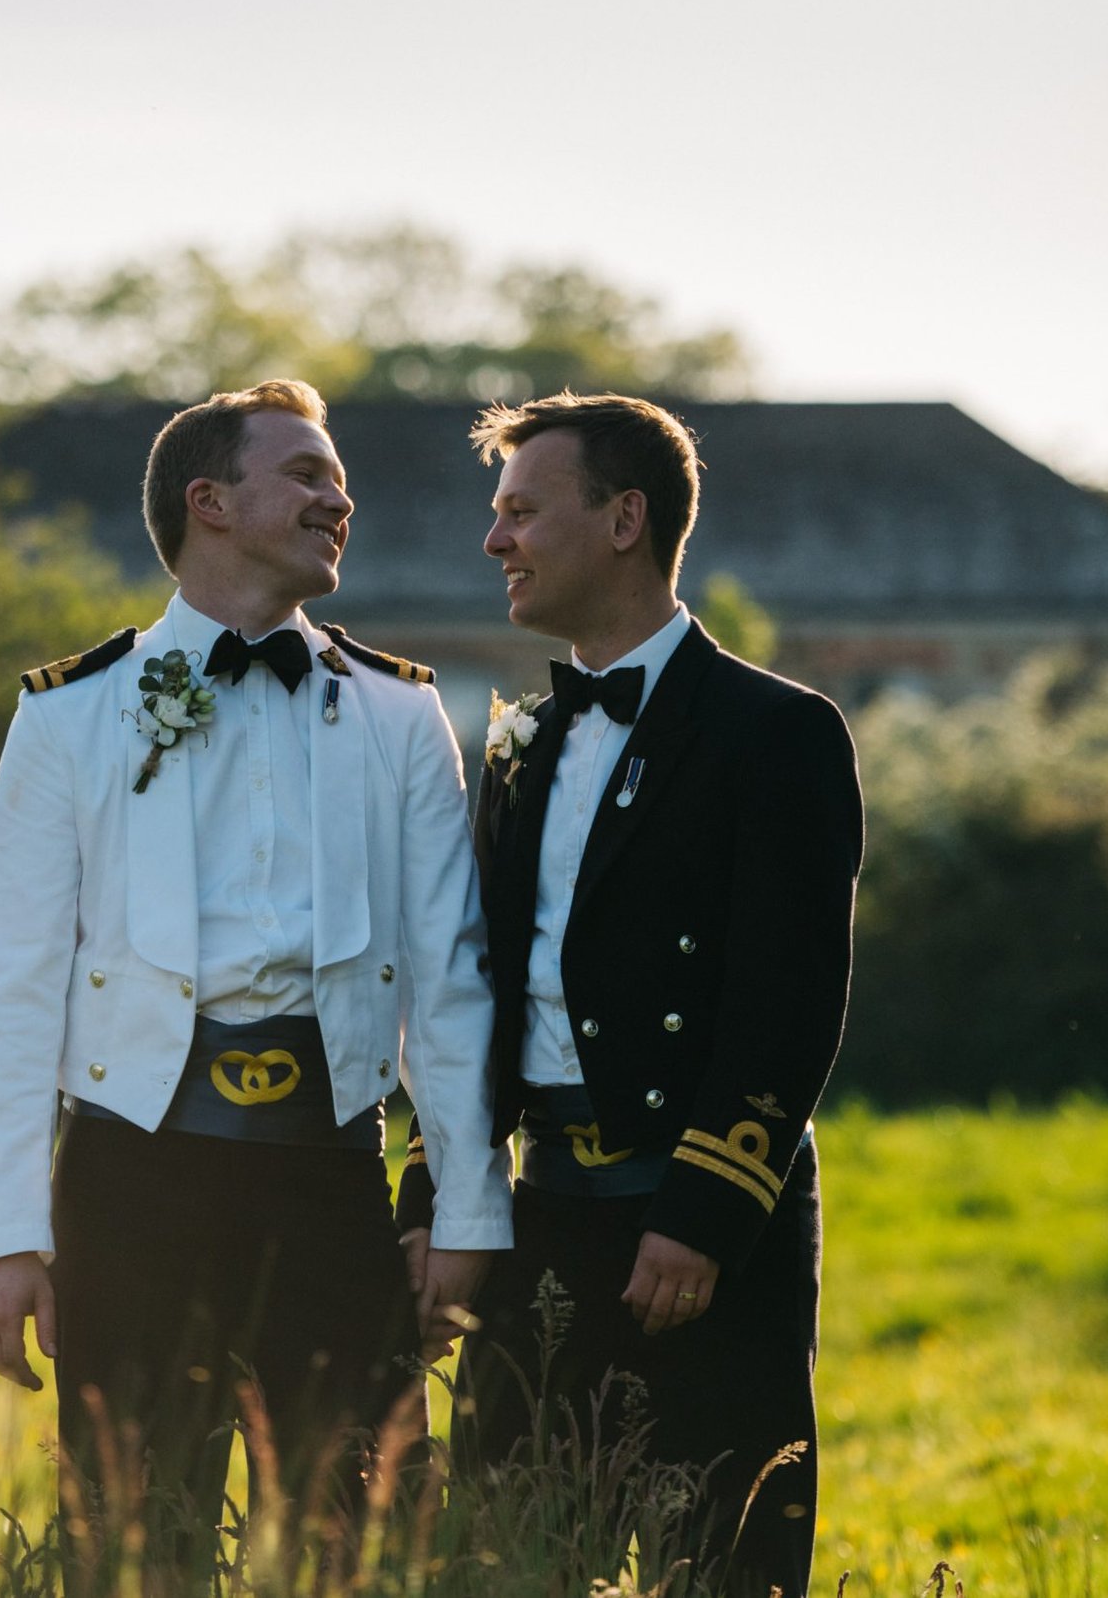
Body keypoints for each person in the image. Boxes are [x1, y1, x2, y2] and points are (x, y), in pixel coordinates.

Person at [0, 378, 510, 1568]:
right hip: (129, 1176)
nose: (338, 494)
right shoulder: (69, 714)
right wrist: (5, 1237)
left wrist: (465, 1208)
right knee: (129, 1536)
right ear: (209, 501)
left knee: (357, 1534)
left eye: (336, 475)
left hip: (331, 1174)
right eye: (306, 473)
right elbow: (6, 987)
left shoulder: (401, 715)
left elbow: (450, 987)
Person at [401, 392, 862, 1596]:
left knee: (718, 1565)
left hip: (698, 1228)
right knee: (499, 1565)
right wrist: (436, 1193)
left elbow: (792, 989)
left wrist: (704, 1209)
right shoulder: (523, 741)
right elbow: (472, 992)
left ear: (622, 519)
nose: (495, 540)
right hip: (538, 1220)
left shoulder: (778, 731)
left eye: (518, 511)